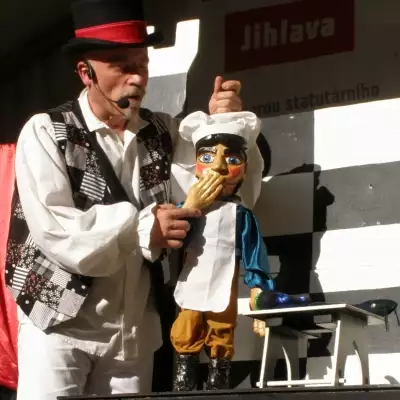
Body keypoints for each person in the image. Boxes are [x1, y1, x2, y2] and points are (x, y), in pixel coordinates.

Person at [5, 0, 264, 399]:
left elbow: (224, 185)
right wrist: (142, 228)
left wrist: (223, 123)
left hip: (131, 333)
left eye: (142, 64)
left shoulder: (164, 132)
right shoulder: (45, 131)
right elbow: (56, 228)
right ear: (86, 72)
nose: (137, 78)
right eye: (121, 66)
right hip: (58, 326)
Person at [169, 111, 274, 391]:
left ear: (245, 169)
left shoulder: (242, 215)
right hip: (191, 280)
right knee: (187, 323)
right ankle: (184, 381)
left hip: (225, 282)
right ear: (195, 166)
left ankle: (219, 381)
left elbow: (254, 253)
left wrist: (258, 289)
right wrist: (189, 207)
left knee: (222, 327)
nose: (218, 166)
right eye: (207, 157)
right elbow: (168, 241)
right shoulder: (186, 209)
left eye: (232, 159)